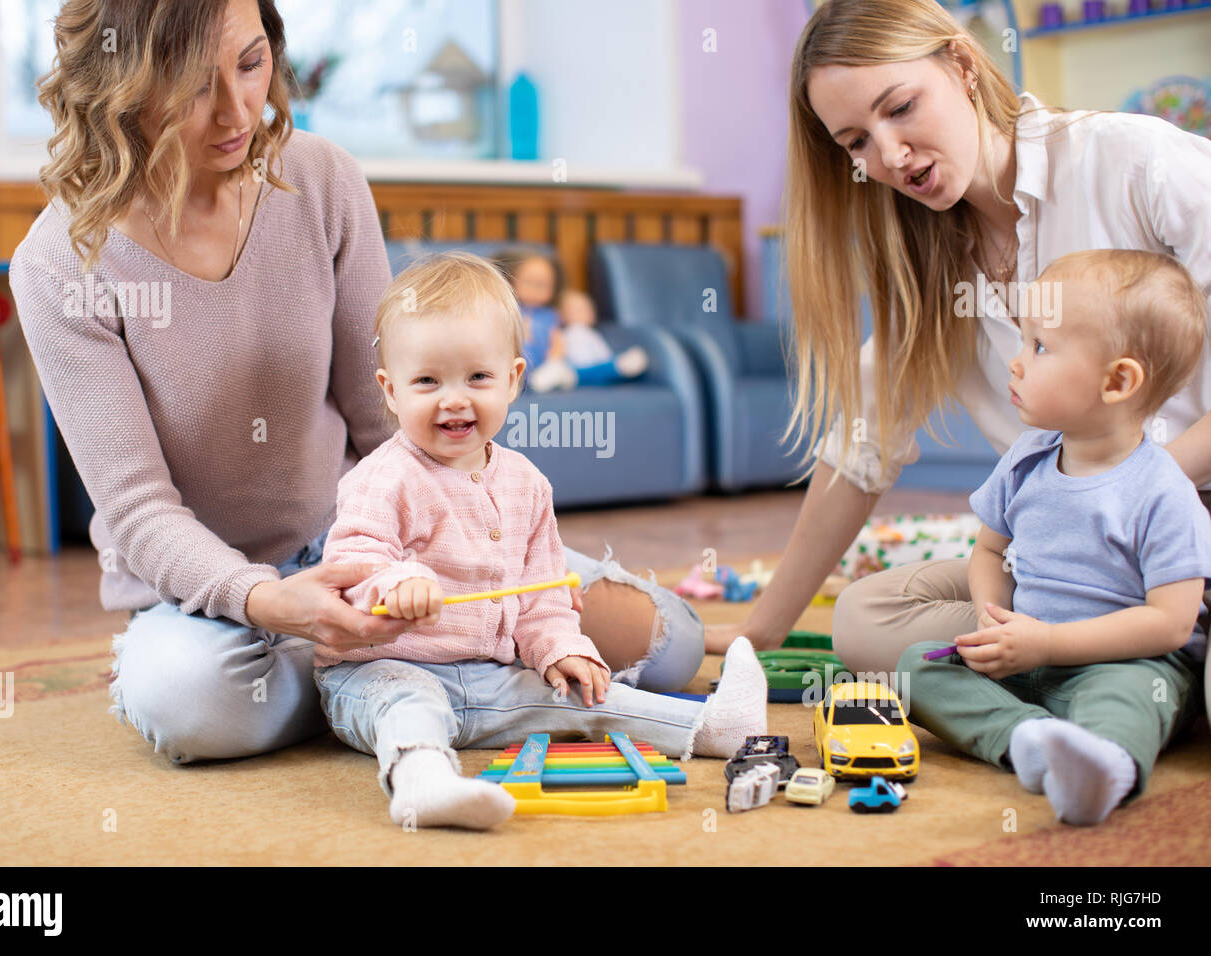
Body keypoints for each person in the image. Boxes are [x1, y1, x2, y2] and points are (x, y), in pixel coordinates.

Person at [7, 0, 704, 766]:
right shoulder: (58, 265)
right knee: (193, 706)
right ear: (120, 84)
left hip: (381, 546)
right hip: (208, 600)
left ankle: (390, 675)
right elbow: (139, 512)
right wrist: (271, 601)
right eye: (192, 86)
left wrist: (461, 553)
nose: (239, 111)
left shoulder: (322, 179)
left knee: (671, 648)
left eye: (251, 62)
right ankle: (421, 671)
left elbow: (384, 417)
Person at [711, 0, 1211, 714]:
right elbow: (859, 452)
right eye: (855, 141)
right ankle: (1116, 656)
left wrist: (1141, 489)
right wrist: (762, 628)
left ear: (963, 64)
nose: (888, 156)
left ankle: (1137, 659)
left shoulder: (1128, 160)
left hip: (1187, 532)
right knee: (863, 619)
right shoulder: (930, 271)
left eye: (902, 107)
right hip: (1078, 564)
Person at [313, 252, 767, 829]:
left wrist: (560, 647)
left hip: (488, 674)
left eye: (478, 377)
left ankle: (716, 728)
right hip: (378, 671)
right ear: (390, 391)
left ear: (514, 379)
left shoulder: (528, 485)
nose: (454, 399)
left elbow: (543, 596)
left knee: (585, 699)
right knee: (409, 705)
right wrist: (396, 581)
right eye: (427, 381)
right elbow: (353, 562)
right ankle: (423, 783)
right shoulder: (383, 476)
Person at [899, 250, 1211, 826]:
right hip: (1026, 660)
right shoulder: (1028, 460)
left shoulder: (1164, 493)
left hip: (1124, 665)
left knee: (1134, 700)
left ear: (1117, 380)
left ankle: (1105, 770)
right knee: (916, 667)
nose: (1016, 365)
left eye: (1039, 348)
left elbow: (1169, 623)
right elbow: (990, 549)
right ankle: (1030, 740)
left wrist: (1049, 645)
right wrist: (993, 619)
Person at [490, 247, 647, 392]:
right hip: (517, 363)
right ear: (508, 280)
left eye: (544, 285)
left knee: (571, 368)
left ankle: (613, 366)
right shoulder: (507, 311)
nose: (536, 290)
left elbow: (556, 339)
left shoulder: (550, 315)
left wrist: (555, 359)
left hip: (548, 364)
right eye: (530, 282)